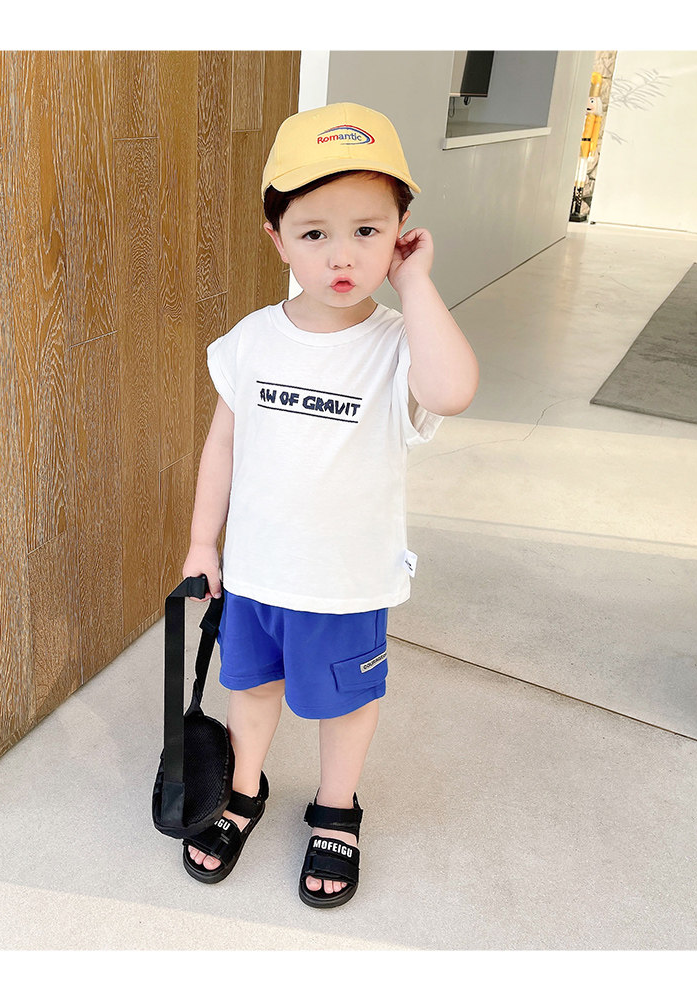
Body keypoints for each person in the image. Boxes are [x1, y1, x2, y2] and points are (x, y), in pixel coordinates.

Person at [180, 102, 479, 908]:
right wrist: (204, 543)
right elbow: (222, 447)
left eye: (367, 231)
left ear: (401, 233)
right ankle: (244, 790)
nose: (342, 254)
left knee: (344, 705)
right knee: (251, 689)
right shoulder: (251, 340)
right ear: (277, 239)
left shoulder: (399, 345)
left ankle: (337, 808)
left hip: (346, 585)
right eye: (314, 233)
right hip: (257, 576)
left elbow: (452, 390)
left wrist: (416, 285)